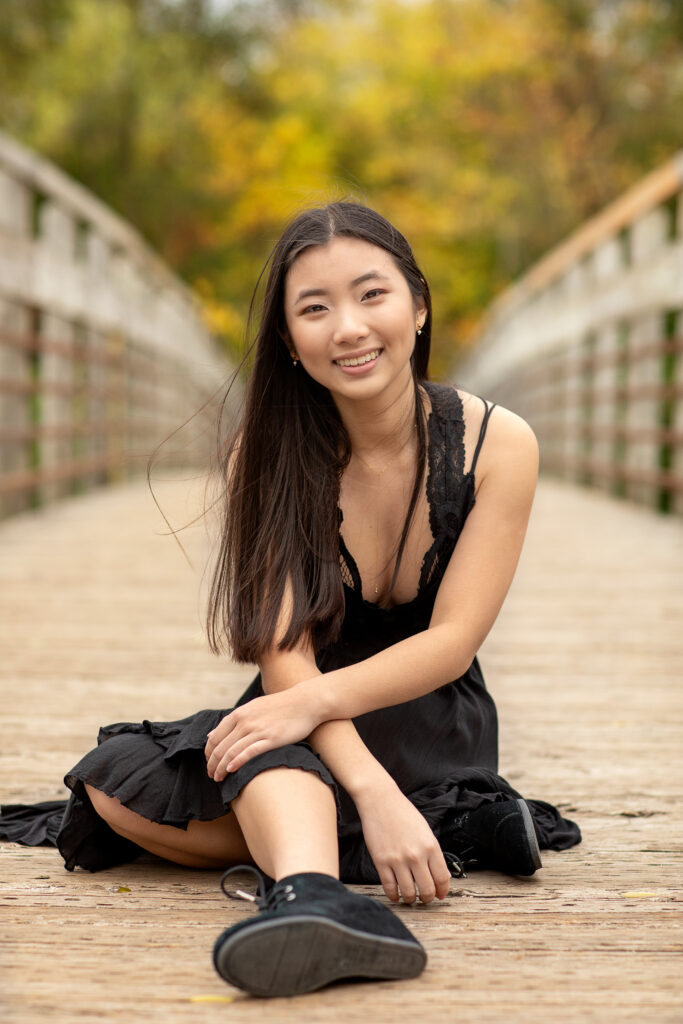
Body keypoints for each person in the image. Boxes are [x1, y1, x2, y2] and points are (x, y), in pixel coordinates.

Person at [0, 201, 580, 998]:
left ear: (418, 305)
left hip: (422, 698)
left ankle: (324, 862)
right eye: (314, 308)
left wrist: (315, 719)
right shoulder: (264, 454)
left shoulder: (497, 443)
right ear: (288, 341)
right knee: (110, 788)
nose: (347, 328)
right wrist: (356, 776)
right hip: (296, 692)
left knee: (262, 754)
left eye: (371, 295)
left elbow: (451, 640)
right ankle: (335, 890)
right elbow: (282, 652)